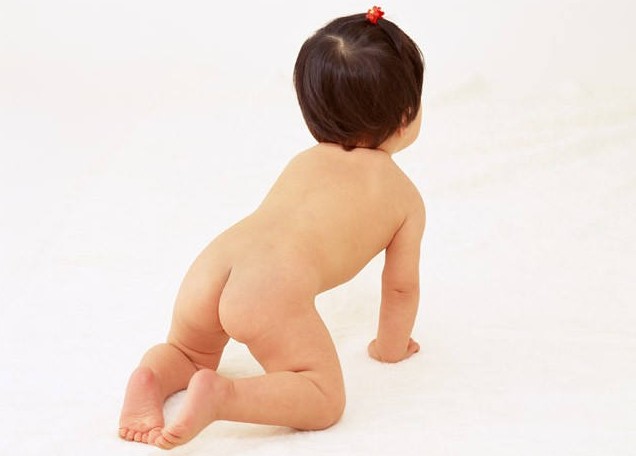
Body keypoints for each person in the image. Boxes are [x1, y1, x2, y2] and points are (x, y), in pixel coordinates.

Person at [119, 6, 425, 449]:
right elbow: (400, 289)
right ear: (407, 114)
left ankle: (151, 377)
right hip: (269, 288)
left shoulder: (303, 162)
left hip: (217, 260)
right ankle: (224, 397)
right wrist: (389, 348)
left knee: (189, 352)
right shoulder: (403, 197)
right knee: (324, 398)